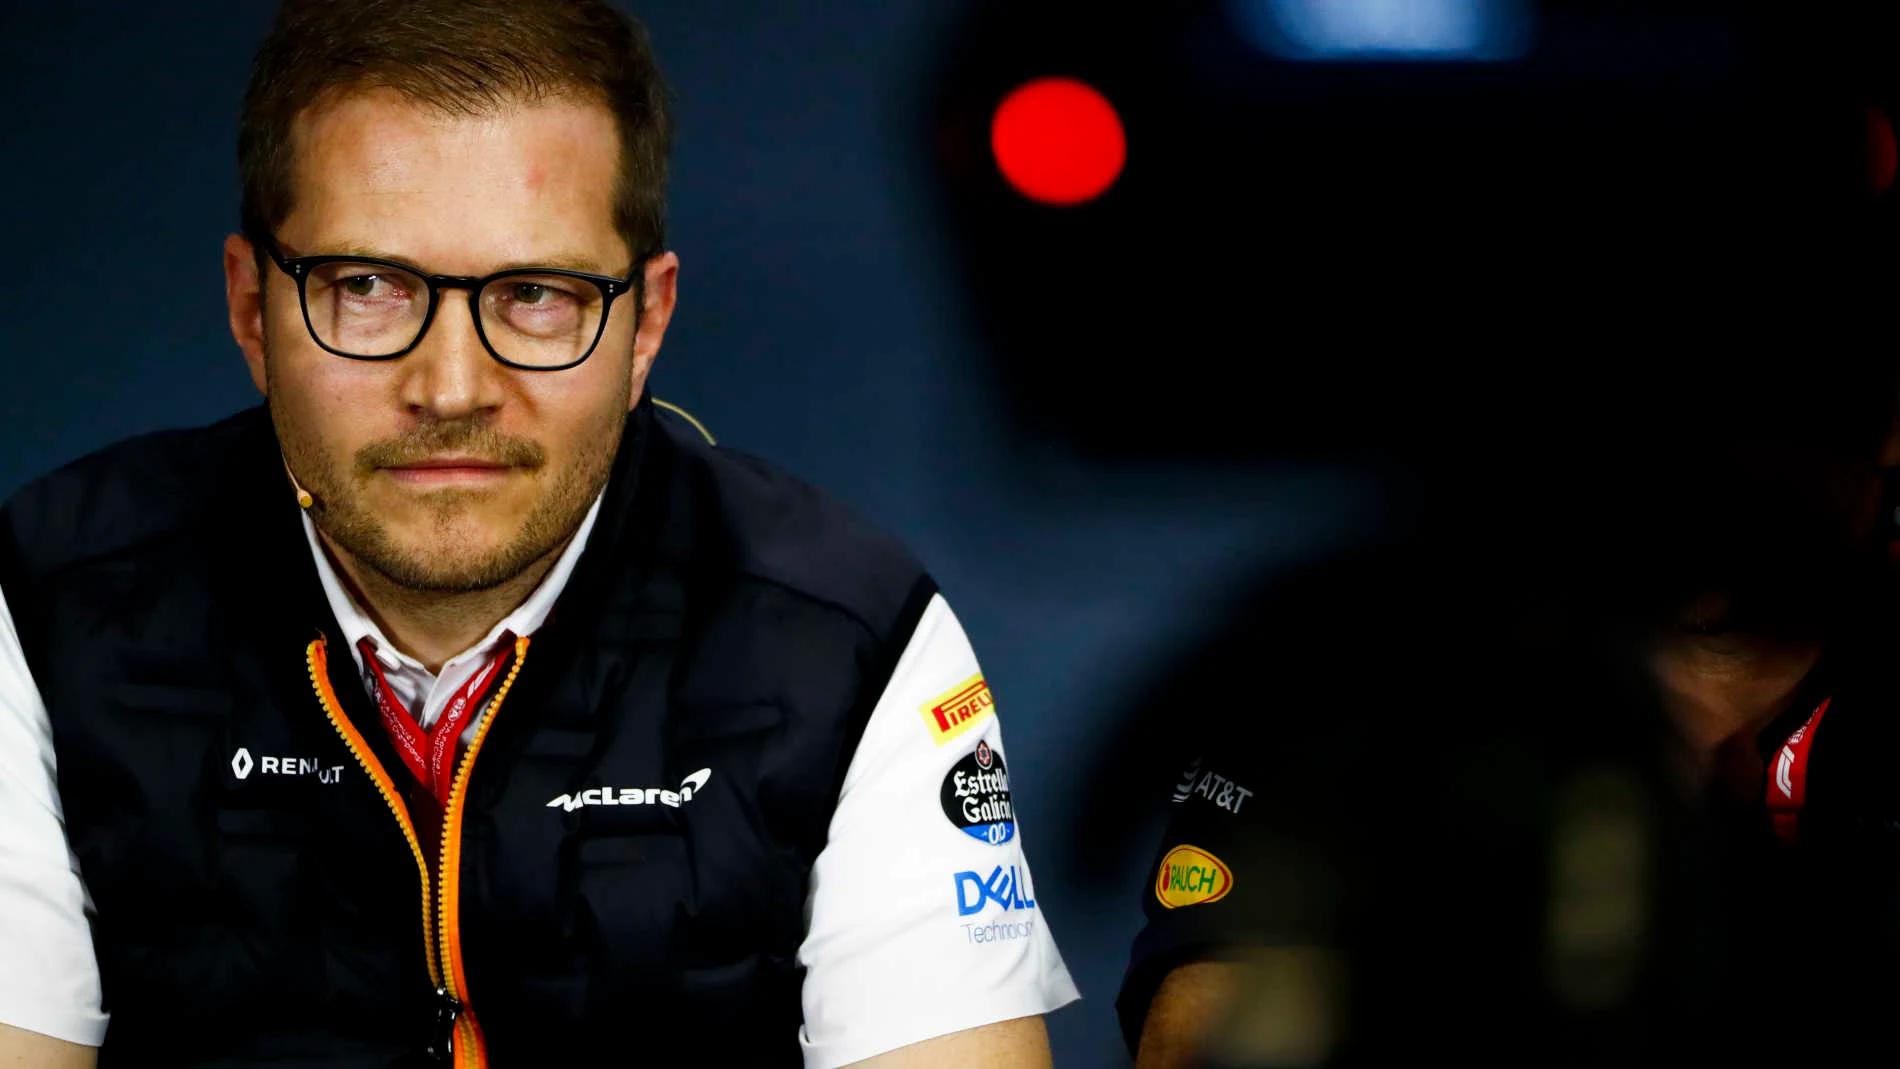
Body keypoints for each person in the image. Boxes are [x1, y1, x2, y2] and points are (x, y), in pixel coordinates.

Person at [0, 1, 1076, 1065]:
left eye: (537, 296)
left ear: (645, 322)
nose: (452, 387)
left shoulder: (848, 637)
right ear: (250, 307)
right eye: (367, 287)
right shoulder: (45, 609)